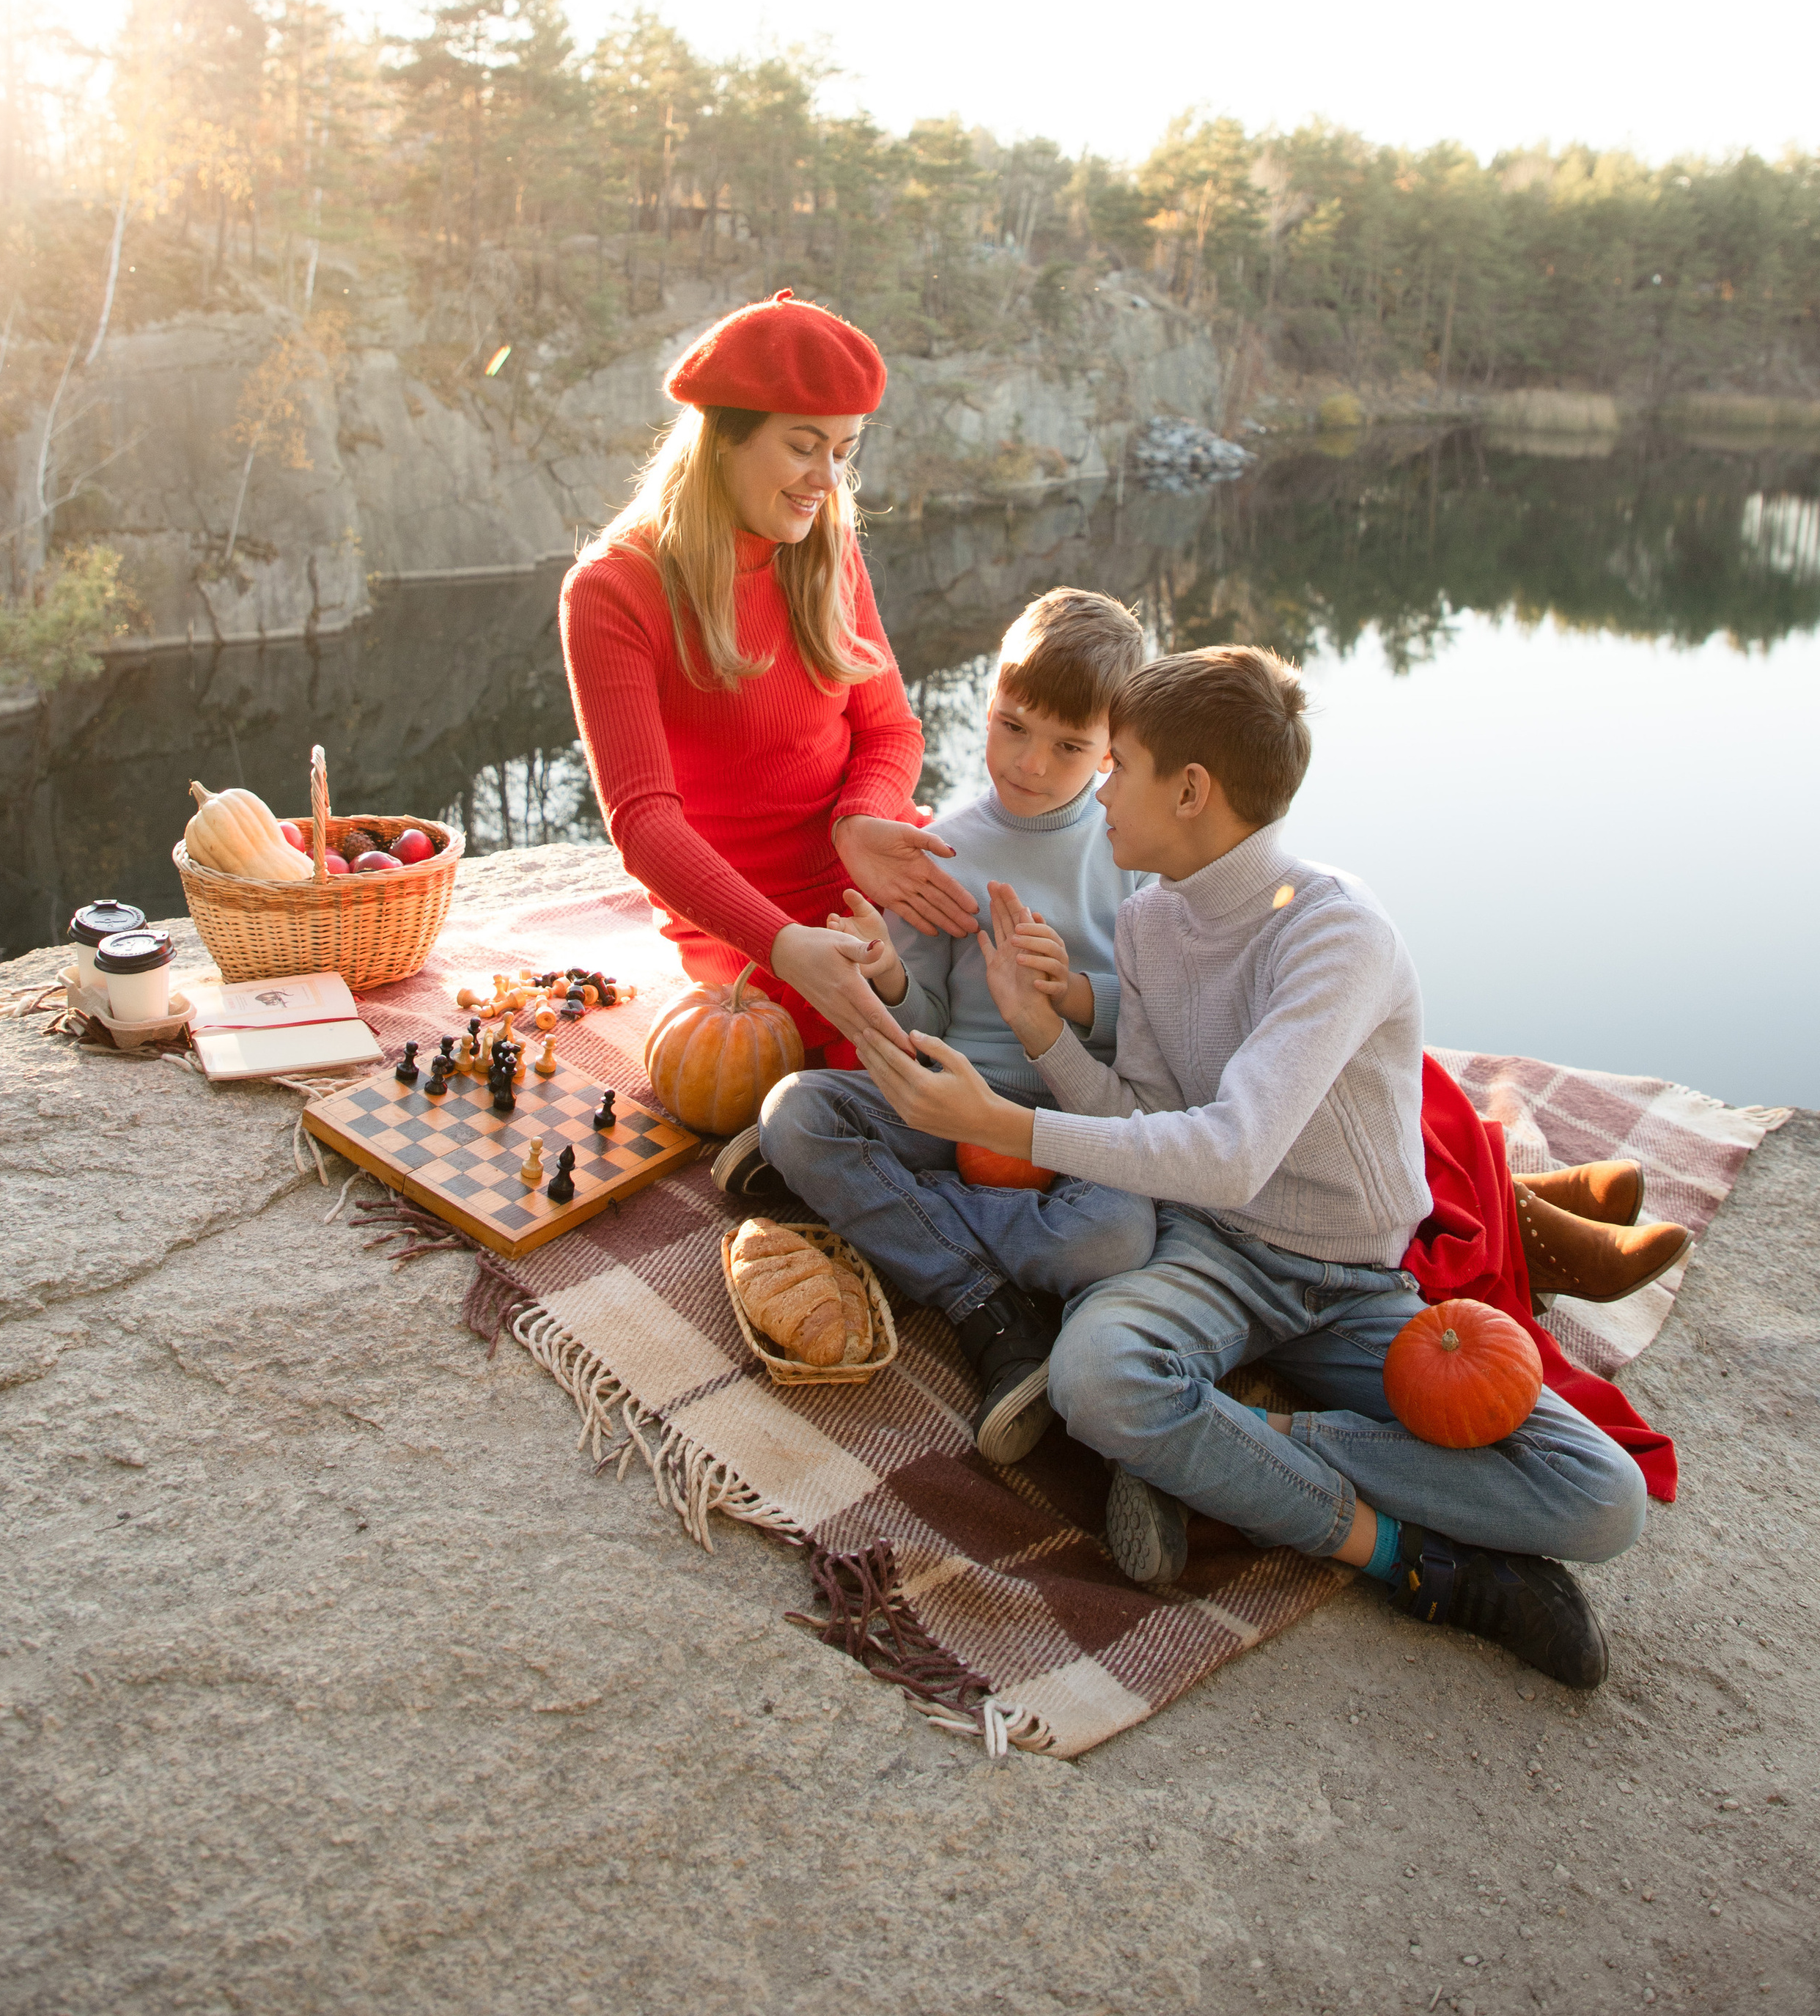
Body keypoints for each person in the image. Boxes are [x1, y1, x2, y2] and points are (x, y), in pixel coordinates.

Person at [850, 644, 1654, 1689]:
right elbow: (1146, 1113)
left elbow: (1229, 1152)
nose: (1098, 783)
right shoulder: (1147, 923)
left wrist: (1008, 1123)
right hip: (1211, 1257)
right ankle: (1416, 1564)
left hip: (1355, 1284)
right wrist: (1041, 1033)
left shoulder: (1337, 932)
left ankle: (1228, 1444)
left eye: (1120, 762)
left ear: (1191, 791)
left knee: (1599, 1496)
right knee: (1098, 1376)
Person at [739, 589, 1162, 1463]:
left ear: (1114, 751)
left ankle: (900, 1230)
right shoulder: (944, 849)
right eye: (1012, 726)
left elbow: (1159, 1022)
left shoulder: (1132, 856)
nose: (1031, 762)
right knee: (796, 1111)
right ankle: (980, 1290)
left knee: (1115, 1237)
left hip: (1073, 1121)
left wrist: (1076, 994)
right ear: (990, 704)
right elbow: (923, 1021)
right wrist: (890, 974)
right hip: (951, 1103)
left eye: (1069, 746)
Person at [561, 291, 976, 1060]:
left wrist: (860, 820)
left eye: (844, 451)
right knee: (895, 1070)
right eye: (803, 446)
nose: (826, 479)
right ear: (724, 436)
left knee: (1029, 986)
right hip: (747, 921)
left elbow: (890, 728)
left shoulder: (827, 547)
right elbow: (644, 824)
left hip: (867, 873)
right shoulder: (613, 590)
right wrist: (784, 946)